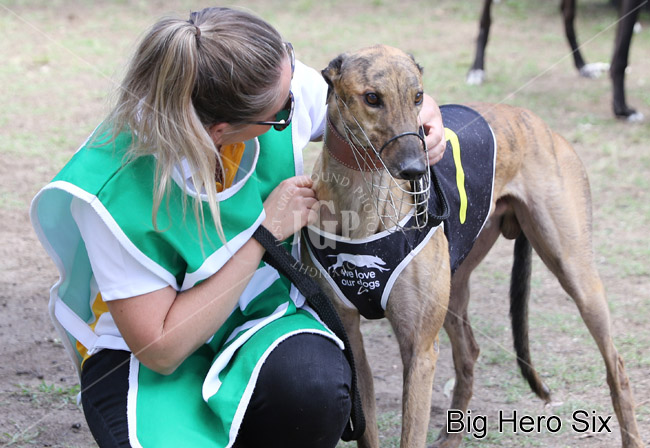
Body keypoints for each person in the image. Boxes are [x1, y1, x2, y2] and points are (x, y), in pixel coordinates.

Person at [30, 6, 445, 448]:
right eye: (284, 111)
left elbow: (372, 93)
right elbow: (161, 350)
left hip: (256, 322)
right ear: (219, 131)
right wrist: (263, 234)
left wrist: (427, 116)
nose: (300, 100)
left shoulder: (272, 84)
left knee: (315, 387)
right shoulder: (113, 186)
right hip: (150, 362)